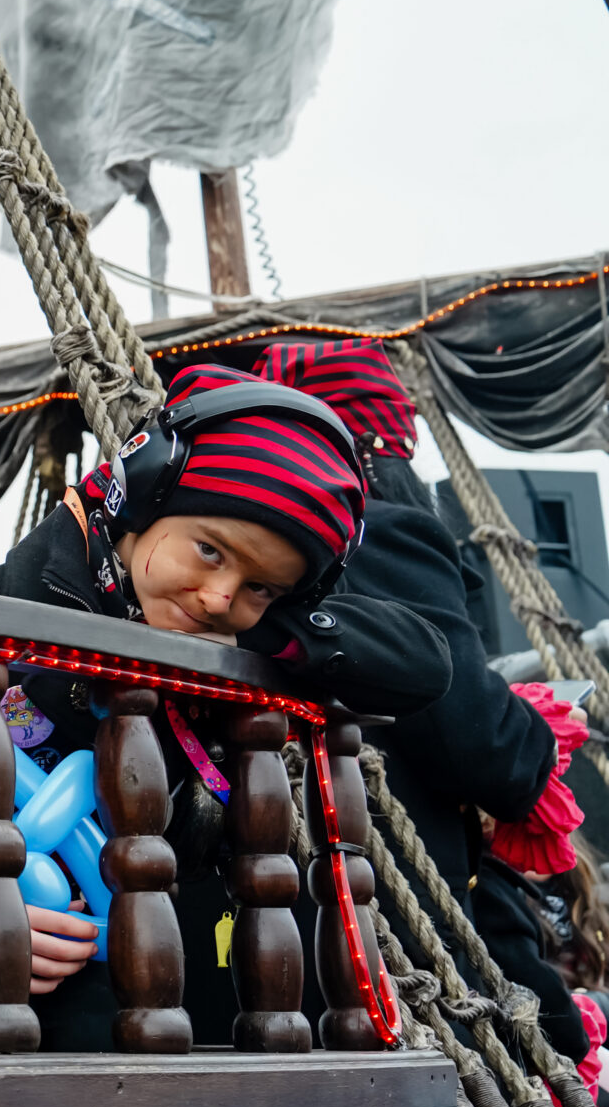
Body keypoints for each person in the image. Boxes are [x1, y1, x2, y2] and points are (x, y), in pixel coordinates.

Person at [0, 365, 450, 1052]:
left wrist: (263, 627)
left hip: (151, 985)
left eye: (260, 585)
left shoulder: (227, 627)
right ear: (142, 499)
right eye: (210, 551)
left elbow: (424, 664)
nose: (219, 596)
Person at [248, 340, 592, 1062]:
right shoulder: (383, 532)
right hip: (381, 945)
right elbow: (482, 743)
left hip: (267, 929)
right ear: (384, 452)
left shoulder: (240, 542)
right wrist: (540, 728)